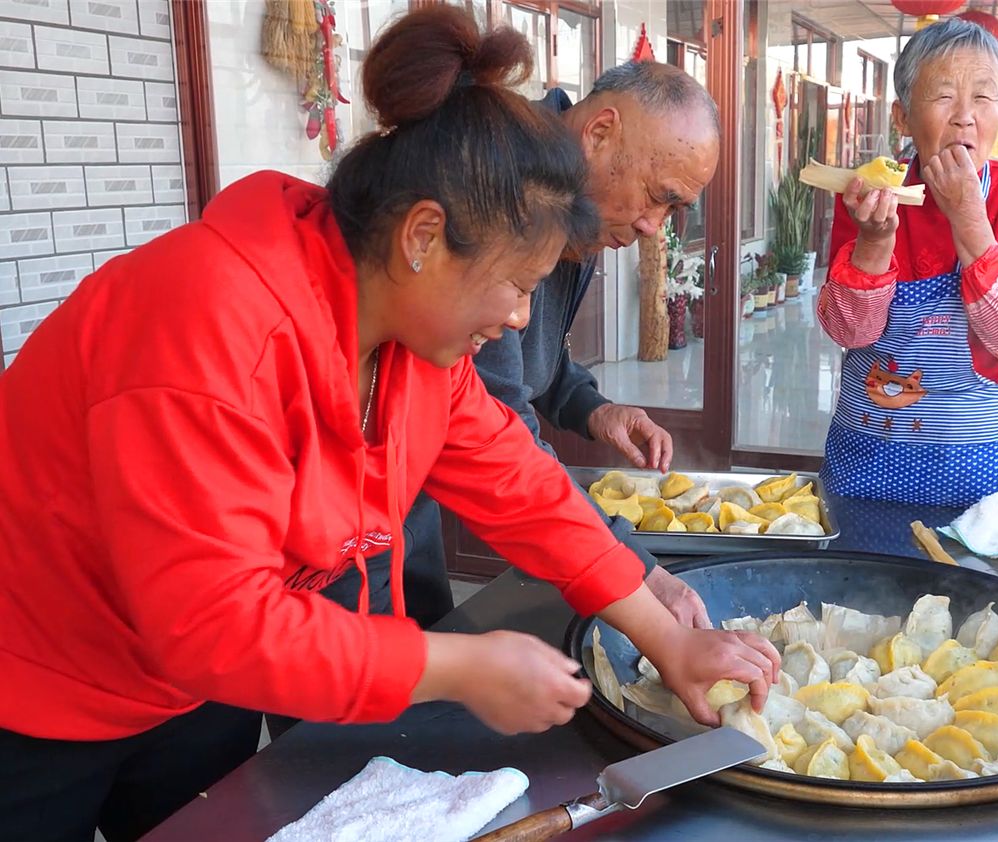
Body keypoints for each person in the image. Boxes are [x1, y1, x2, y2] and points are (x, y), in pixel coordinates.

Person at [0, 8, 778, 841]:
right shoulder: (206, 321)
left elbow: (516, 483)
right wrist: (454, 667)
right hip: (42, 686)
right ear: (422, 236)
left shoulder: (410, 346)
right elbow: (211, 621)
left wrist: (668, 640)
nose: (520, 318)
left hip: (195, 692)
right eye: (515, 284)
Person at [473, 61, 722, 627]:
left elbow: (533, 360)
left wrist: (593, 408)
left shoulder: (573, 196)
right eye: (658, 197)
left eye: (674, 209)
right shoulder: (507, 185)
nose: (654, 226)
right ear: (600, 134)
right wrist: (635, 574)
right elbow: (497, 429)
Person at [816, 17, 998, 508]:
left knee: (985, 587)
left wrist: (971, 219)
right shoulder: (872, 195)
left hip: (988, 473)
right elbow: (849, 333)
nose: (965, 117)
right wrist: (872, 241)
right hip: (868, 460)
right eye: (944, 96)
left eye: (983, 98)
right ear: (902, 117)